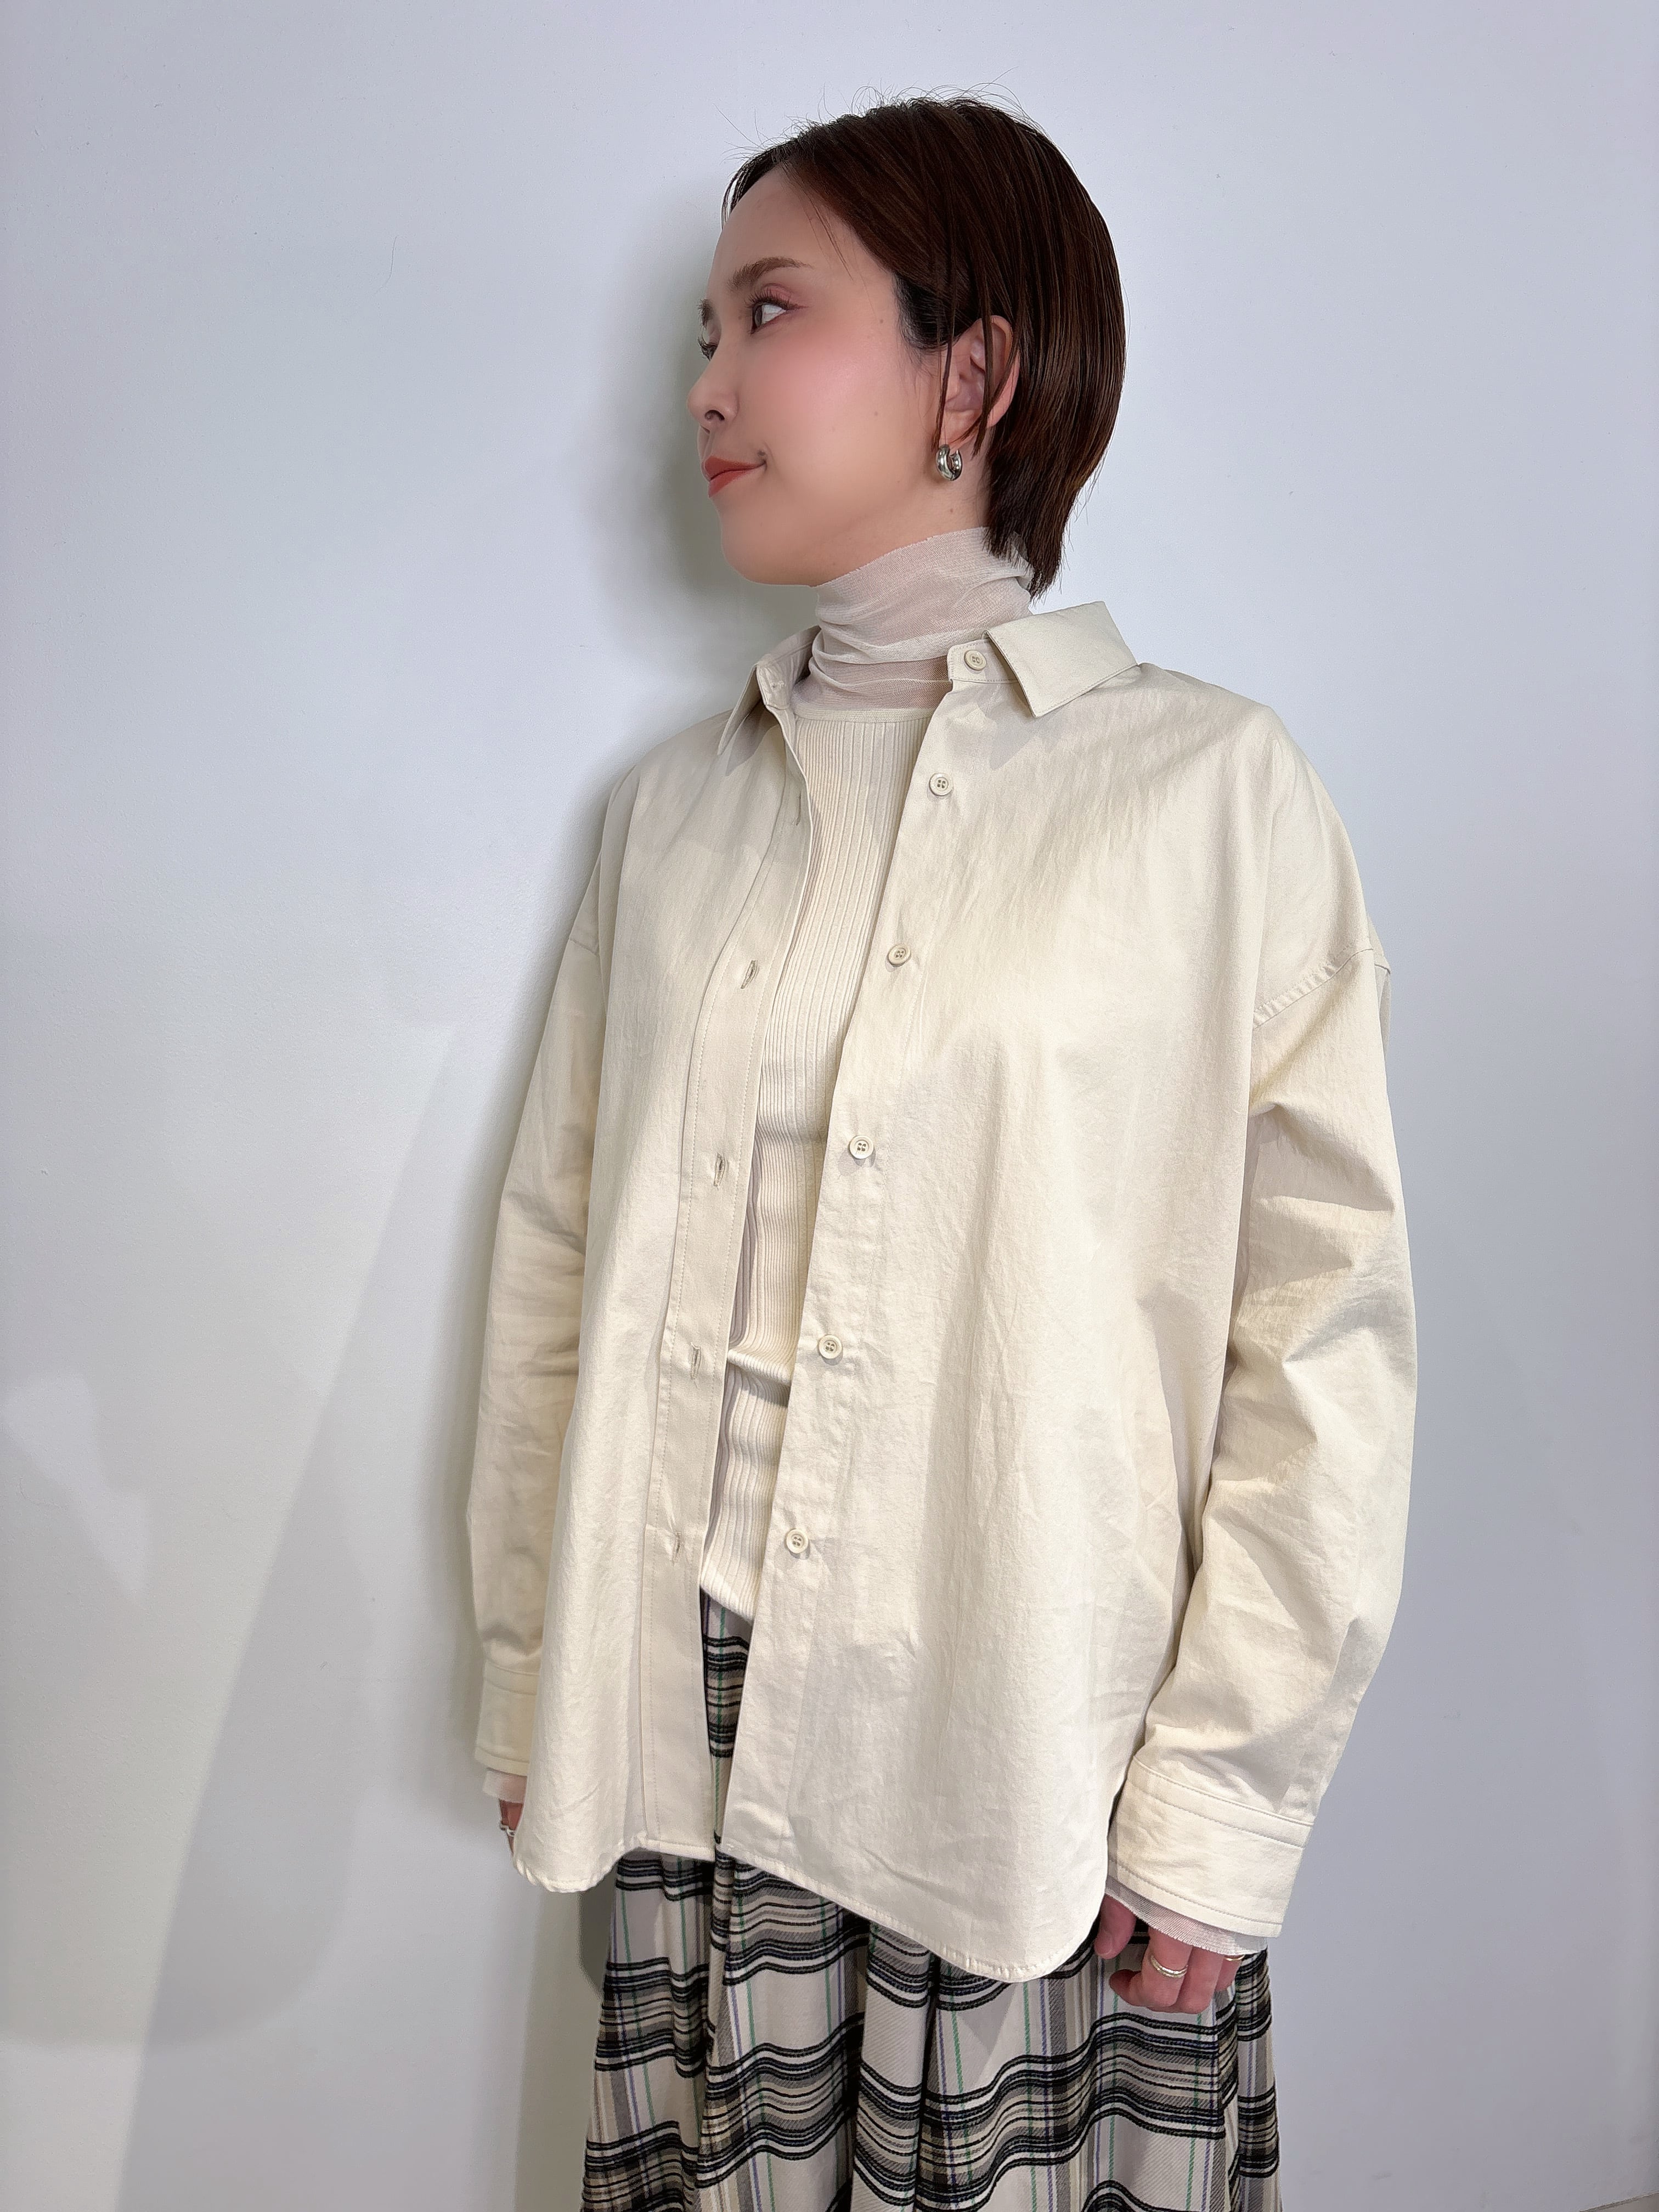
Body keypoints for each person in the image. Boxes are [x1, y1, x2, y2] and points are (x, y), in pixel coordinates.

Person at [465, 92, 1415, 2212]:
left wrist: (1222, 1806)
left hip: (1025, 1747)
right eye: (705, 332)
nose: (706, 389)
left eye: (771, 313)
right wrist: (541, 1671)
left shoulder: (1210, 796)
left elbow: (1322, 1341)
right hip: (679, 1718)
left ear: (972, 373)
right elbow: (553, 1261)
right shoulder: (671, 819)